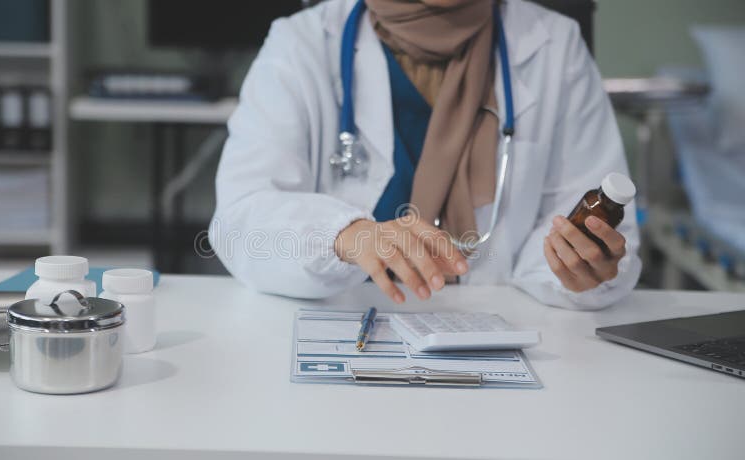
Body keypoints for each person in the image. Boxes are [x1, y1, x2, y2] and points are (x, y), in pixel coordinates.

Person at [210, 0, 641, 310]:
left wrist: (576, 269)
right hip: (344, 326)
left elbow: (581, 229)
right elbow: (240, 220)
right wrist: (344, 235)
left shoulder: (553, 46)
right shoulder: (302, 44)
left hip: (494, 337)